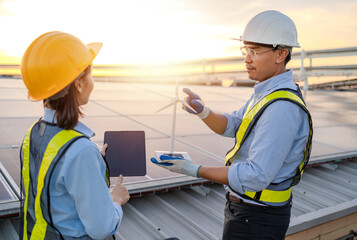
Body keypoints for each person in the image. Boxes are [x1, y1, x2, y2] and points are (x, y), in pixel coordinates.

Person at [151, 10, 313, 240]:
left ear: (281, 54)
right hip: (247, 211)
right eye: (246, 50)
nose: (246, 59)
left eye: (255, 51)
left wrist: (192, 169)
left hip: (258, 219)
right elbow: (235, 125)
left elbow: (255, 176)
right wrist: (204, 112)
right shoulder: (266, 93)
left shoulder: (281, 108)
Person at [20, 31, 130, 240]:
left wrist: (91, 155)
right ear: (79, 83)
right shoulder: (80, 152)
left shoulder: (33, 132)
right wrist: (115, 200)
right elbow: (101, 229)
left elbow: (52, 177)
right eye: (90, 73)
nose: (92, 81)